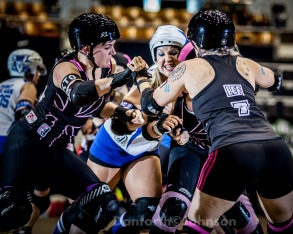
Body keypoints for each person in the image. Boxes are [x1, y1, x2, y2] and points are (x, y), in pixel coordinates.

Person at [133, 9, 293, 234]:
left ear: (193, 42)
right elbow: (276, 81)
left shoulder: (189, 67)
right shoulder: (245, 63)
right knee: (287, 228)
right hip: (275, 149)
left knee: (196, 227)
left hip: (233, 150)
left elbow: (150, 104)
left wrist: (141, 78)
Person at [0, 12, 143, 233]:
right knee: (13, 211)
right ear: (86, 49)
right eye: (107, 46)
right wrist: (120, 79)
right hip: (28, 140)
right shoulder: (65, 67)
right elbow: (79, 94)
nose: (113, 52)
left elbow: (96, 106)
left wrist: (124, 114)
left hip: (56, 150)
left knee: (104, 202)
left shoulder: (108, 68)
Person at [149, 41, 264, 234]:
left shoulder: (231, 91)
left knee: (243, 220)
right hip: (190, 151)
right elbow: (146, 108)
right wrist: (163, 124)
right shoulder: (173, 92)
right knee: (173, 207)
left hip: (223, 153)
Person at [86, 25, 188, 234]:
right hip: (113, 146)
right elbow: (120, 123)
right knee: (91, 214)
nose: (167, 59)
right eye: (160, 53)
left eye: (173, 52)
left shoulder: (187, 80)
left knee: (144, 213)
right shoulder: (149, 77)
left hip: (143, 149)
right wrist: (140, 118)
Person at [0, 48, 50, 234]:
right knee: (16, 204)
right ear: (26, 69)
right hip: (10, 144)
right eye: (36, 69)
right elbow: (23, 113)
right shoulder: (27, 85)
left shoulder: (3, 84)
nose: (37, 75)